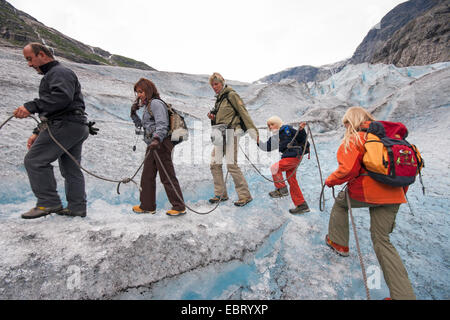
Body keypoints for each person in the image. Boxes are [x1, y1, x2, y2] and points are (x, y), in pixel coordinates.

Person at [324, 106, 416, 300]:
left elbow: (347, 170)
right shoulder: (389, 138)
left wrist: (330, 181)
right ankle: (403, 296)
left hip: (366, 192)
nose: (345, 127)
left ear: (351, 122)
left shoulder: (356, 137)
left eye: (346, 123)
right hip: (395, 194)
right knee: (382, 240)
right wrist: (397, 194)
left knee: (340, 205)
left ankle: (339, 243)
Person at [13, 42, 90, 219]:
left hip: (64, 125)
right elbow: (55, 107)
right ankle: (77, 207)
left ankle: (48, 202)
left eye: (30, 59)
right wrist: (38, 131)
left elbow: (61, 99)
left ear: (42, 55)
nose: (29, 64)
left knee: (34, 161)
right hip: (75, 125)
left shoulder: (58, 72)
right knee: (71, 169)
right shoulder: (57, 73)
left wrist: (31, 106)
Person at [130, 78, 186, 216]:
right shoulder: (147, 106)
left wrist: (156, 139)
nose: (139, 95)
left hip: (161, 143)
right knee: (147, 176)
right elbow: (141, 125)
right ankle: (147, 206)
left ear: (148, 90)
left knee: (167, 175)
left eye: (141, 91)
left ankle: (179, 207)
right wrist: (133, 113)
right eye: (137, 92)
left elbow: (162, 124)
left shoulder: (155, 103)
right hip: (153, 145)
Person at [207, 72, 258, 207]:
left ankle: (245, 196)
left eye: (216, 84)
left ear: (222, 82)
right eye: (212, 85)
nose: (214, 87)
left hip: (232, 133)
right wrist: (213, 118)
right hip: (220, 134)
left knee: (231, 164)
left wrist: (253, 131)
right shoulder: (219, 100)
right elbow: (221, 118)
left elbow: (243, 112)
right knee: (214, 163)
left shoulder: (231, 95)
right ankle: (221, 194)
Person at [258, 116, 310, 214]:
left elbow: (300, 137)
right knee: (292, 180)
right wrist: (258, 141)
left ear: (278, 123)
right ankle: (302, 205)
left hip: (294, 156)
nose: (270, 127)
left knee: (275, 168)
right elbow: (267, 147)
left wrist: (301, 129)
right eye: (269, 126)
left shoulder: (287, 129)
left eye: (272, 124)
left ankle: (281, 189)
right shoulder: (275, 137)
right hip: (289, 157)